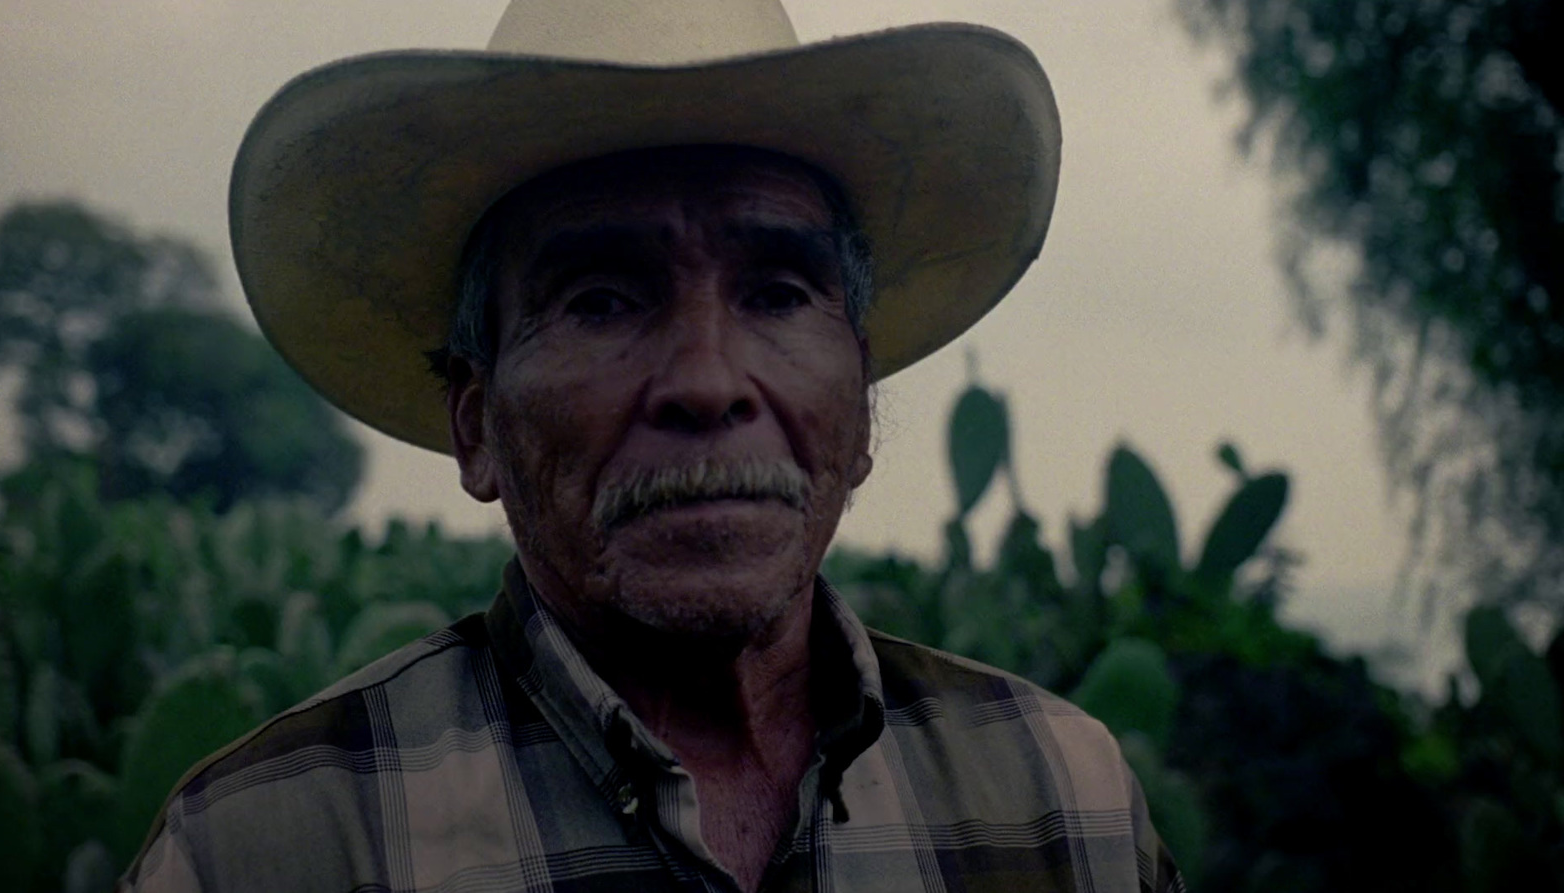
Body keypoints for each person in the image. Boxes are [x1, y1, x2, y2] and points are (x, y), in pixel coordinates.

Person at [124, 0, 1183, 890]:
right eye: (601, 299)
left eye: (776, 291)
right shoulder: (264, 850)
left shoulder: (1063, 802)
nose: (708, 382)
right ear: (476, 422)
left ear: (859, 403)